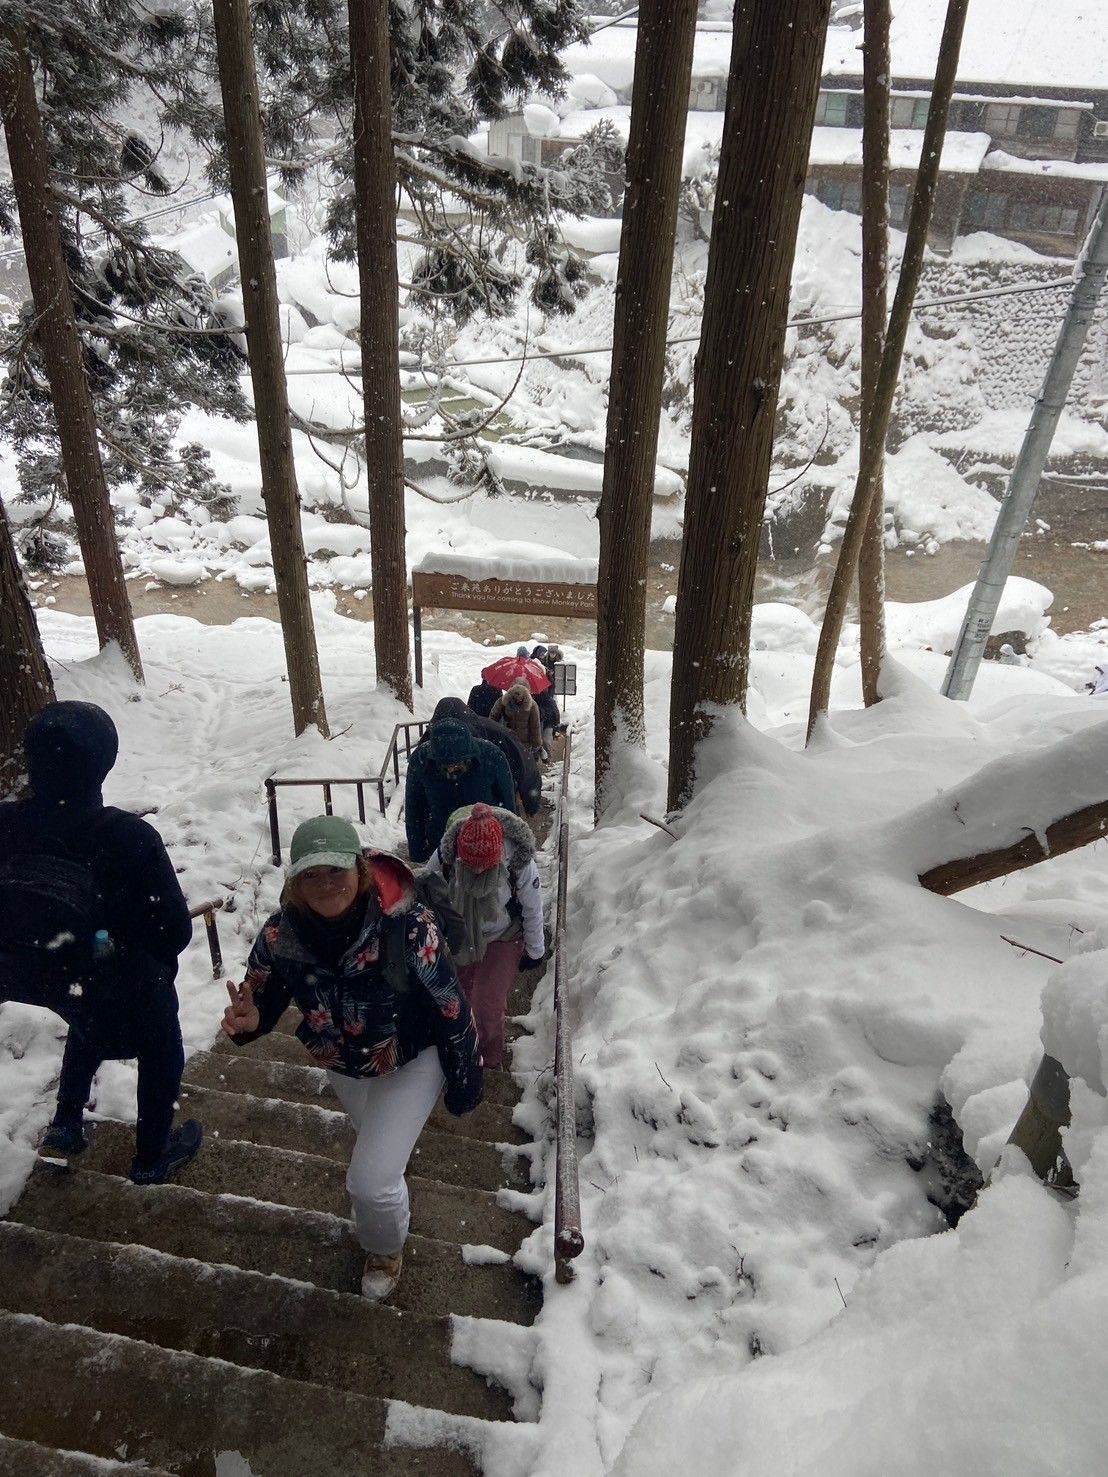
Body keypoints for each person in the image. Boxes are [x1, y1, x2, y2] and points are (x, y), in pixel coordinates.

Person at [221, 814, 482, 1302]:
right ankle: (389, 1189)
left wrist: (466, 1080)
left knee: (370, 1182)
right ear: (295, 882)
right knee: (378, 1155)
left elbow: (450, 1006)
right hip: (343, 1063)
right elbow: (262, 994)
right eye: (311, 874)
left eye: (335, 870)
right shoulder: (281, 935)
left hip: (411, 1057)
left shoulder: (407, 927)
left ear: (358, 870)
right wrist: (250, 1020)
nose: (325, 884)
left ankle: (384, 1248)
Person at [0, 701, 201, 1184]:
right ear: (106, 762)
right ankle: (152, 1155)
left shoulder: (5, 823)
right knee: (158, 1039)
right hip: (100, 973)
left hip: (24, 971)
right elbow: (175, 932)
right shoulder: (128, 837)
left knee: (84, 1007)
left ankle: (67, 1120)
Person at [426, 803, 545, 1071]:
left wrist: (535, 950)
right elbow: (426, 891)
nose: (478, 872)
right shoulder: (446, 856)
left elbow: (532, 906)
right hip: (461, 933)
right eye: (471, 866)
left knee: (487, 1006)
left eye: (486, 866)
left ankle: (488, 1061)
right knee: (460, 1000)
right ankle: (462, 1051)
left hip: (504, 934)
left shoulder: (518, 862)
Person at [404, 718, 515, 864]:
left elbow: (507, 804)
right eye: (444, 765)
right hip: (440, 845)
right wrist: (417, 856)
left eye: (456, 764)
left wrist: (511, 846)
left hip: (485, 845)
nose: (451, 770)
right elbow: (414, 810)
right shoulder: (420, 759)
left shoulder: (491, 756)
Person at [421, 696, 541, 817]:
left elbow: (416, 790)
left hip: (446, 815)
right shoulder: (496, 733)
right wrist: (531, 802)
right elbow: (526, 766)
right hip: (492, 812)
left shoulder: (428, 741)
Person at [490, 679, 543, 757]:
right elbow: (535, 726)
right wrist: (536, 744)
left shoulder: (503, 701)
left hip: (505, 740)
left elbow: (492, 718)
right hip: (523, 744)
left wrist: (492, 736)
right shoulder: (532, 705)